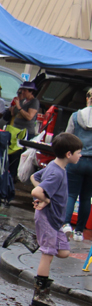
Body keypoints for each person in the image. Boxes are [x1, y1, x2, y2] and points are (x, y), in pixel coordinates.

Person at [3, 133, 83, 306]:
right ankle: (41, 296)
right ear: (69, 154)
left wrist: (44, 196)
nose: (81, 156)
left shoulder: (55, 167)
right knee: (47, 255)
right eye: (79, 152)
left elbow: (35, 178)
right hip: (47, 218)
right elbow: (37, 190)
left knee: (63, 252)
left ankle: (26, 237)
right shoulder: (56, 172)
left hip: (54, 220)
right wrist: (44, 198)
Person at [64, 88, 92, 238]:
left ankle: (66, 224)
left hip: (76, 160)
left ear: (87, 98)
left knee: (71, 194)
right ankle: (80, 231)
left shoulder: (76, 116)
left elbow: (67, 137)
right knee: (86, 197)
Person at [7, 81, 40, 177]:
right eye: (22, 90)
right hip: (16, 131)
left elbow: (29, 117)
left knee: (19, 154)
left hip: (26, 132)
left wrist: (19, 107)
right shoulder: (22, 101)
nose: (23, 92)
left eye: (25, 91)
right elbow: (14, 114)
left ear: (31, 91)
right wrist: (13, 107)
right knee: (13, 153)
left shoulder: (34, 102)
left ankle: (16, 175)